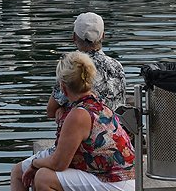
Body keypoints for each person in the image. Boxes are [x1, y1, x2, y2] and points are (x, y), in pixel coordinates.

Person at [11, 52, 136, 191]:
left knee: (43, 178)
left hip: (116, 181)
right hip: (116, 175)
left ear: (63, 88)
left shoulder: (79, 115)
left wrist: (35, 164)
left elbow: (59, 163)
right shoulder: (94, 102)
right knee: (26, 172)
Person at [47, 12, 126, 118]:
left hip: (81, 130)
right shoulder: (117, 66)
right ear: (103, 36)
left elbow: (51, 111)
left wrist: (62, 109)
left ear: (74, 37)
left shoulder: (71, 67)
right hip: (114, 130)